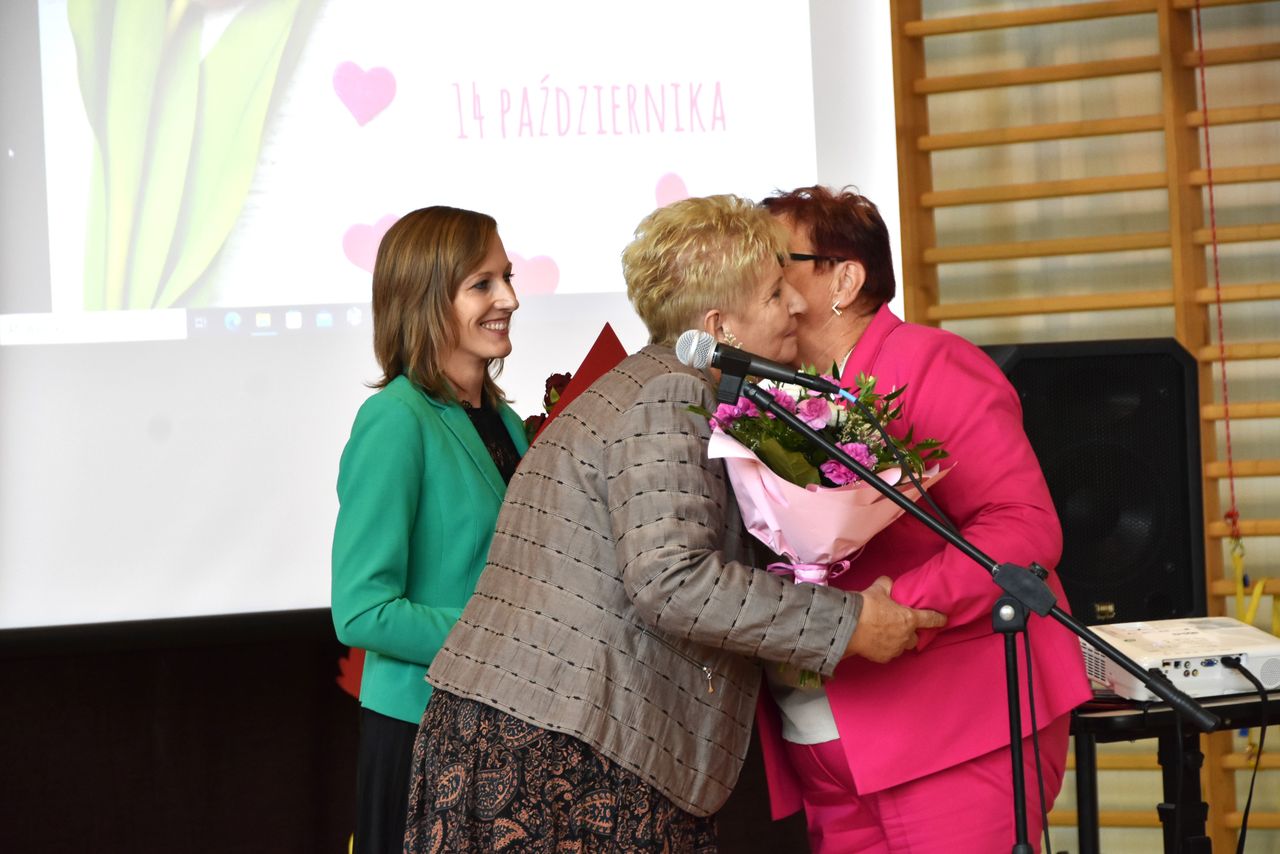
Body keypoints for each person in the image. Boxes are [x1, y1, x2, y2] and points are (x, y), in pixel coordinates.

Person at [401, 194, 947, 852]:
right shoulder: (672, 392)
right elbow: (672, 580)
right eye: (776, 294)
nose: (797, 308)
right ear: (720, 326)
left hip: (538, 736)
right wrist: (848, 623)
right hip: (559, 757)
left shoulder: (646, 385)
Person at [755, 185, 1093, 853]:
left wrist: (890, 610)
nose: (757, 278)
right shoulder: (767, 390)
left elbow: (1023, 527)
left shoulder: (929, 363)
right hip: (822, 741)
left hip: (952, 732)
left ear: (844, 280)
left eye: (774, 261)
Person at [330, 206, 528, 854]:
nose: (509, 299)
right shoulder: (395, 419)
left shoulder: (505, 420)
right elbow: (362, 611)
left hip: (501, 733)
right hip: (422, 737)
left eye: (507, 277)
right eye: (482, 284)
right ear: (425, 298)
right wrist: (505, 639)